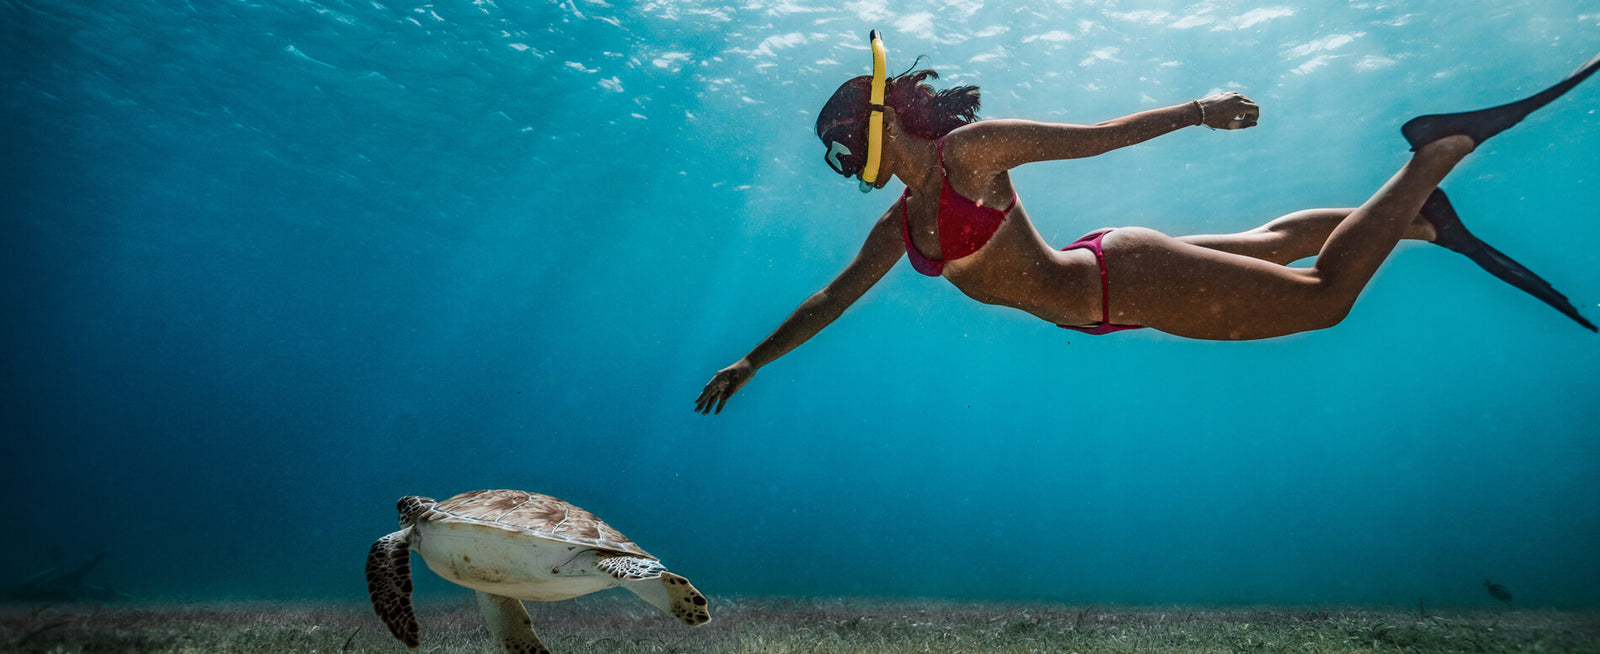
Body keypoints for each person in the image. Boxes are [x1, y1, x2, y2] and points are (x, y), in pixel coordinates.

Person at [696, 32, 1599, 415]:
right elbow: (832, 297)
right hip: (1110, 271)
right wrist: (752, 360)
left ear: (874, 129)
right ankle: (1420, 221)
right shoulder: (902, 223)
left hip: (1121, 280)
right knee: (1273, 243)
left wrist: (1198, 109)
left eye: (842, 141)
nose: (840, 159)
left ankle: (1430, 158)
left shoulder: (970, 154)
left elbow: (1097, 140)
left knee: (1323, 300)